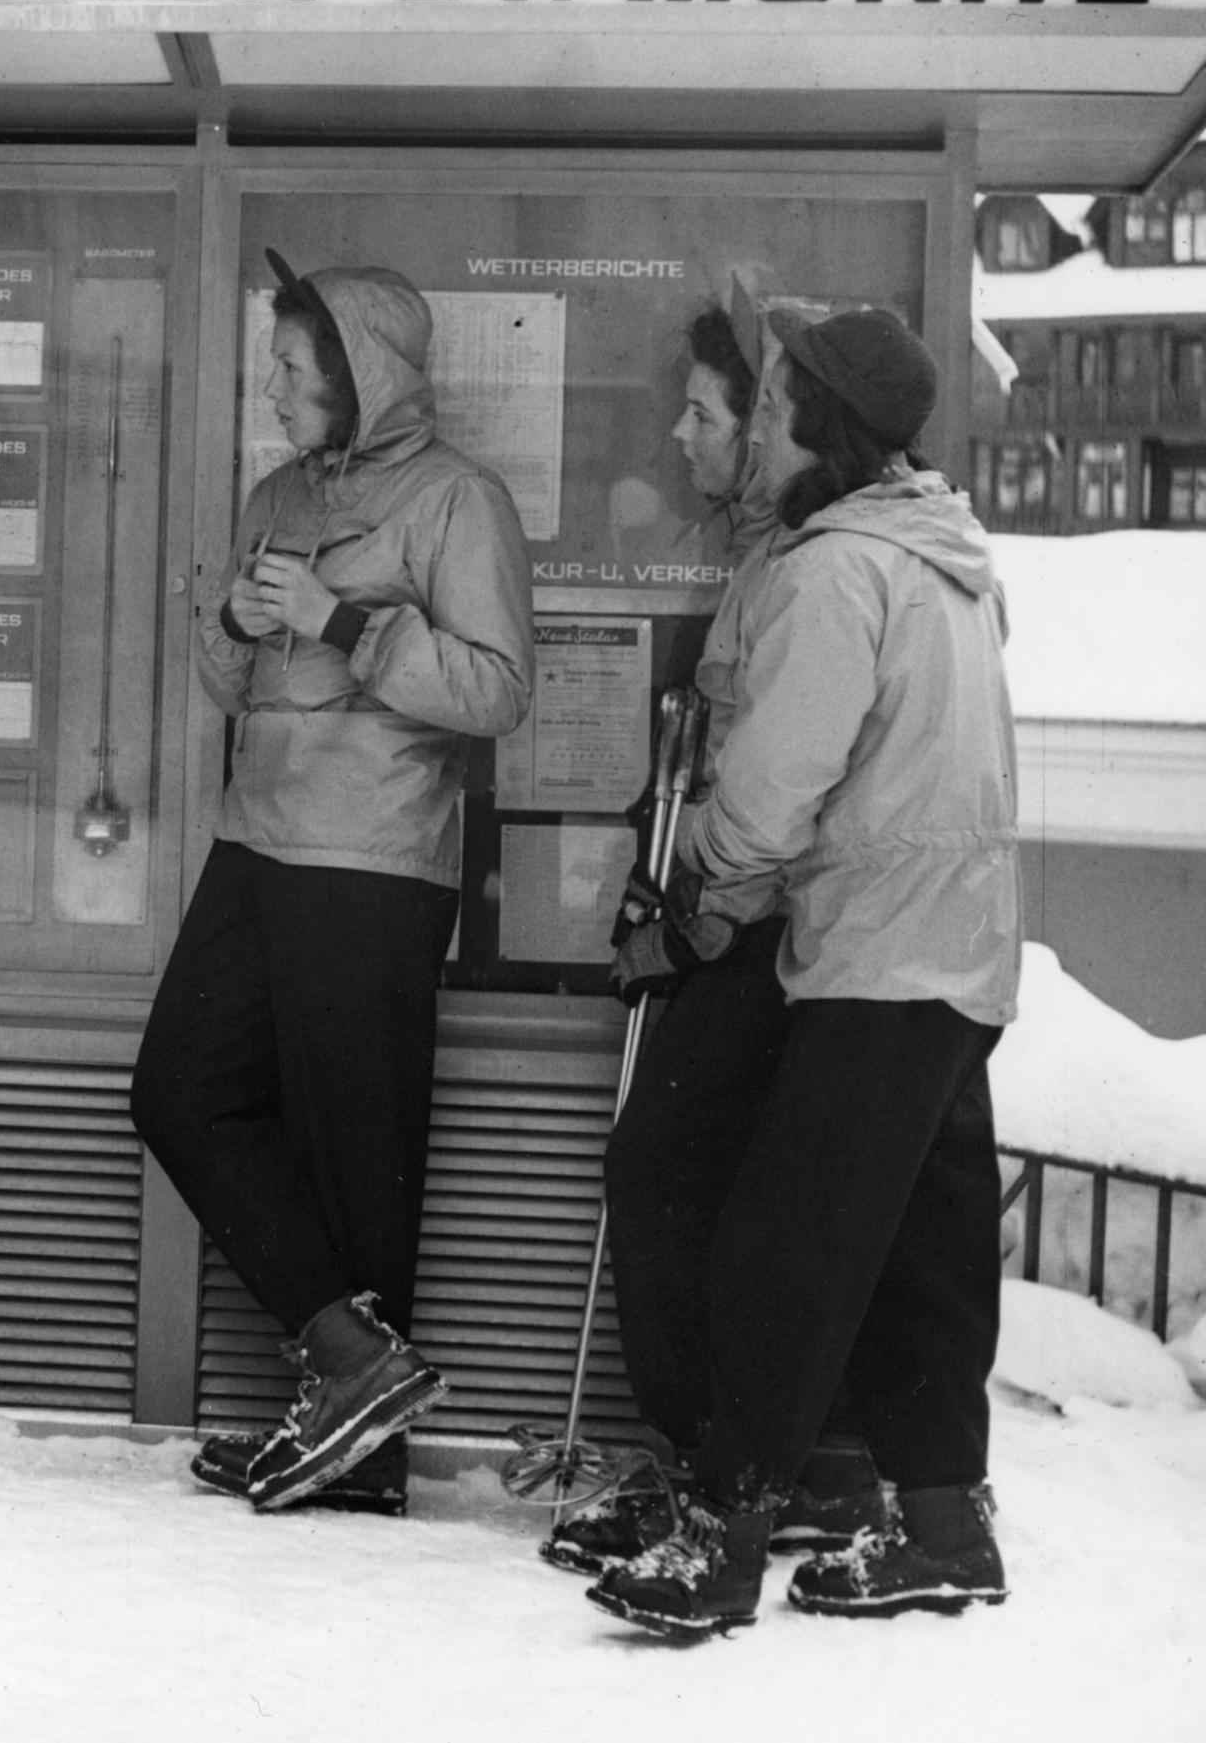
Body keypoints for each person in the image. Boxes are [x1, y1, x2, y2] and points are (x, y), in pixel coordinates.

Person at [588, 307, 1020, 1637]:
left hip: (876, 948)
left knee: (790, 1246)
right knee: (922, 1247)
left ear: (821, 432)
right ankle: (942, 1521)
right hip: (961, 946)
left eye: (770, 414)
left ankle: (720, 1535)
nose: (758, 433)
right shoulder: (942, 554)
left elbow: (772, 794)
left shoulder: (838, 572)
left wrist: (694, 907)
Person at [132, 258, 533, 1515]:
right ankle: (352, 1366)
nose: (273, 385)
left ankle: (363, 1450)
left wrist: (342, 620)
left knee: (355, 1157)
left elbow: (498, 691)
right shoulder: (276, 490)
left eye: (295, 368)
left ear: (364, 374)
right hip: (257, 836)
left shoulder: (458, 500)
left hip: (373, 858)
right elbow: (227, 676)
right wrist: (242, 627)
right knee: (178, 1090)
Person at [548, 297, 883, 1577]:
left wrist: (693, 916)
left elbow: (781, 773)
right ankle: (724, 1458)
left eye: (706, 409)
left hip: (772, 925)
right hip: (746, 912)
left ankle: (719, 1462)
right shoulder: (758, 549)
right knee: (702, 1187)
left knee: (667, 1172)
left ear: (766, 431)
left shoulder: (804, 561)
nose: (680, 431)